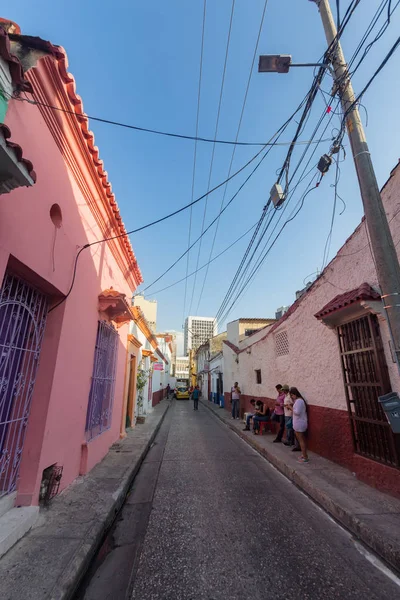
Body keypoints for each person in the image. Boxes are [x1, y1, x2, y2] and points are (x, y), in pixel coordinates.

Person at [288, 387, 309, 463]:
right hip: (299, 423)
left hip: (299, 423)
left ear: (294, 394)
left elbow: (297, 412)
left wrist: (290, 407)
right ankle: (304, 455)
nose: (292, 397)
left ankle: (305, 457)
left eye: (292, 396)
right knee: (301, 440)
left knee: (301, 440)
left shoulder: (299, 401)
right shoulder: (298, 401)